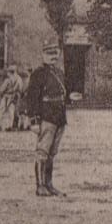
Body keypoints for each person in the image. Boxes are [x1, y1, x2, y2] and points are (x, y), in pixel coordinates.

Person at [24, 44, 70, 197]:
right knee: (42, 151)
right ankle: (40, 185)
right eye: (50, 54)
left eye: (55, 54)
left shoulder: (58, 72)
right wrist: (34, 120)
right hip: (46, 117)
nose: (53, 57)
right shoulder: (39, 74)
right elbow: (32, 98)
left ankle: (49, 184)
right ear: (43, 55)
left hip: (59, 118)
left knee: (52, 153)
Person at [0, 65, 20, 132]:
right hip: (12, 97)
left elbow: (2, 90)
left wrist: (1, 94)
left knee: (1, 111)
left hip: (6, 97)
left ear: (9, 72)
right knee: (11, 112)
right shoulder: (17, 80)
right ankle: (9, 126)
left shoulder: (7, 80)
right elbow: (17, 89)